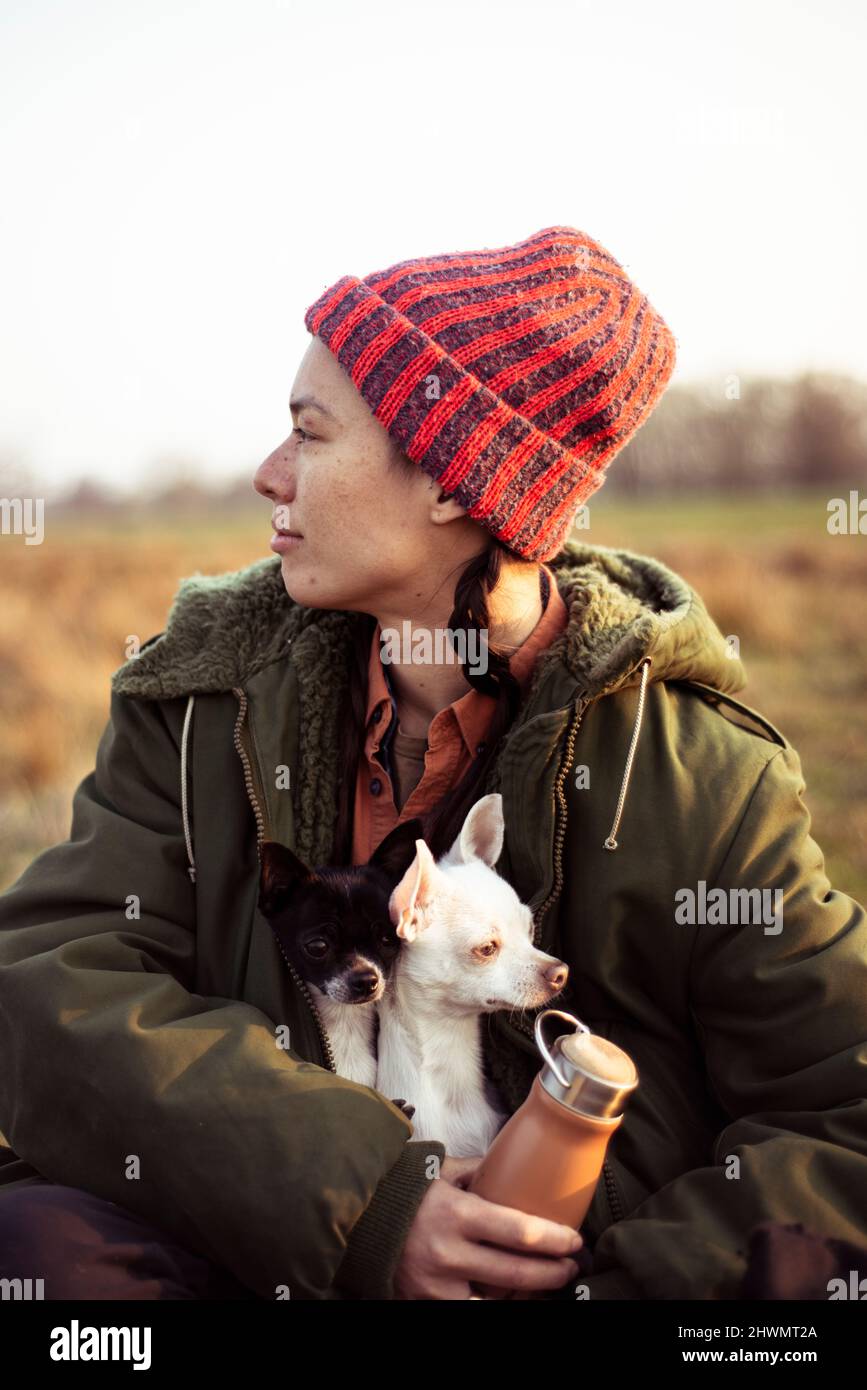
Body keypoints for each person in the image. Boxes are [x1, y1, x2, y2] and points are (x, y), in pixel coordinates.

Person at [1, 226, 865, 1302]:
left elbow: (839, 1111)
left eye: (309, 436)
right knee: (39, 1254)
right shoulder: (198, 705)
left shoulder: (695, 772)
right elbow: (51, 977)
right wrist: (358, 1199)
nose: (270, 475)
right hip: (252, 1249)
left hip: (573, 1279)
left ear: (457, 485)